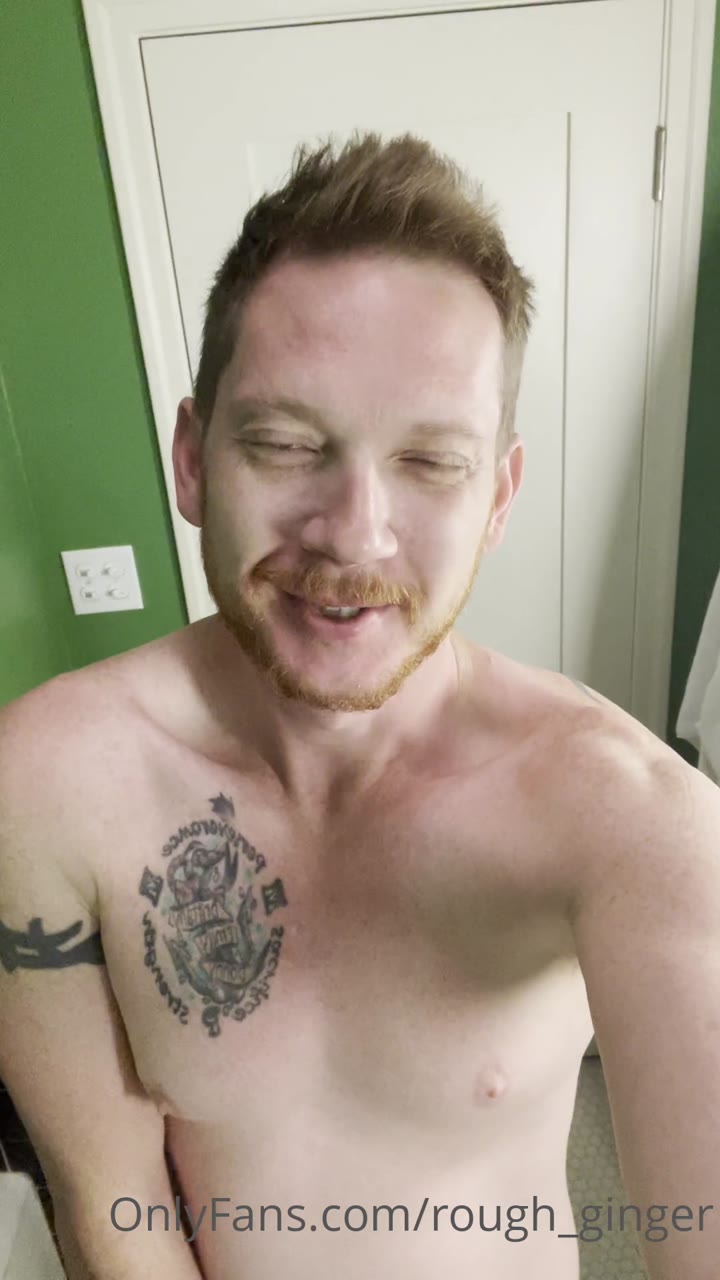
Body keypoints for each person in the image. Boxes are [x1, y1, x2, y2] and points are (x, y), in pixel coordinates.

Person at [0, 131, 718, 1280]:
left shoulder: (627, 814)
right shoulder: (44, 781)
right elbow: (110, 1200)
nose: (354, 534)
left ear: (499, 496)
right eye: (287, 443)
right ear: (193, 459)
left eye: (432, 461)